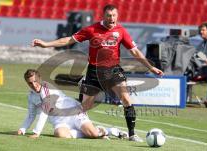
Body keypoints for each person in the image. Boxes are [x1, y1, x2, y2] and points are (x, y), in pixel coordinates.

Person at [32, 4, 163, 142]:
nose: (111, 18)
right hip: (93, 72)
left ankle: (132, 134)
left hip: (113, 70)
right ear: (103, 16)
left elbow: (135, 51)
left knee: (126, 99)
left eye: (114, 15)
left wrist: (150, 67)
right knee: (84, 107)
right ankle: (86, 129)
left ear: (117, 16)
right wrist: (46, 44)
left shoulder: (121, 31)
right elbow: (68, 40)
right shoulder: (92, 29)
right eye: (108, 15)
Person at [17, 69, 128, 139]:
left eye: (35, 81)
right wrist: (22, 129)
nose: (34, 84)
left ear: (40, 79)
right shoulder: (31, 96)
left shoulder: (46, 89)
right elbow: (31, 115)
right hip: (59, 120)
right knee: (61, 135)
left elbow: (44, 113)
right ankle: (96, 132)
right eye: (30, 83)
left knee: (93, 134)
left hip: (74, 112)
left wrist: (37, 133)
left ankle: (109, 131)